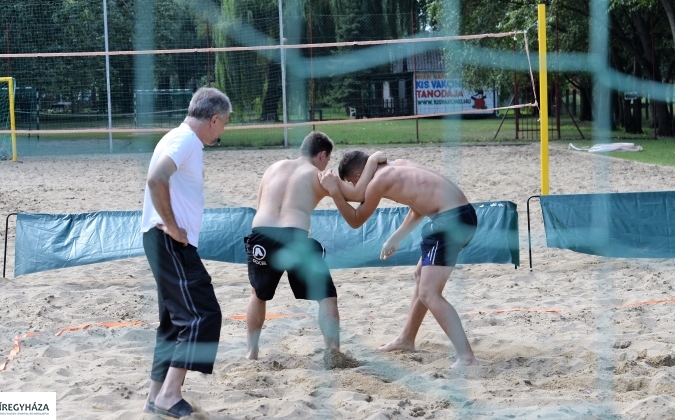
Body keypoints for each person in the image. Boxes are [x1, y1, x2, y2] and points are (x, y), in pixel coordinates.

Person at [319, 151, 479, 368]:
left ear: (359, 175)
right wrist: (396, 238)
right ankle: (407, 339)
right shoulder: (401, 165)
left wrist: (335, 190)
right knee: (420, 275)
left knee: (429, 292)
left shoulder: (378, 181)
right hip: (462, 215)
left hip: (450, 221)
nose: (354, 186)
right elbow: (417, 205)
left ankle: (466, 357)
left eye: (351, 182)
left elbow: (356, 219)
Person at [245, 131, 384, 367]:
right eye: (327, 160)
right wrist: (372, 161)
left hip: (261, 233)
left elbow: (260, 205)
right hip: (294, 236)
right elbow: (358, 194)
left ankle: (252, 352)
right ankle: (333, 352)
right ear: (322, 155)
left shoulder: (273, 168)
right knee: (326, 296)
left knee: (258, 294)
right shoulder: (319, 174)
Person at [140, 87, 231, 419]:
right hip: (169, 241)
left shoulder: (176, 137)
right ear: (214, 119)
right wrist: (174, 226)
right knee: (203, 314)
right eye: (224, 125)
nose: (222, 131)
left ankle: (155, 397)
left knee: (174, 322)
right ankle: (169, 395)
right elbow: (156, 178)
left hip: (162, 240)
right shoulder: (187, 141)